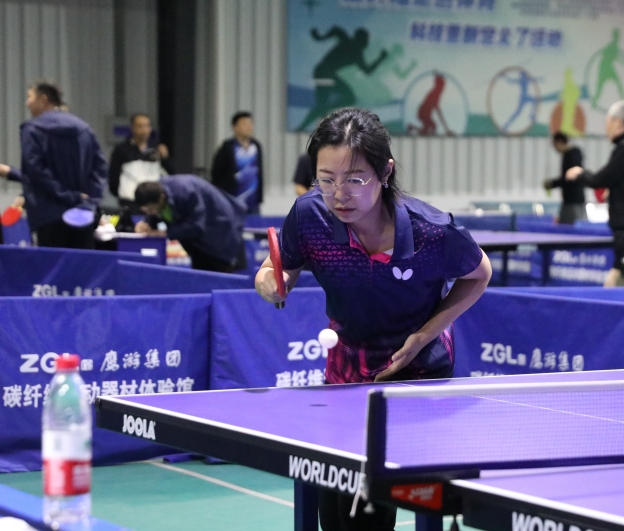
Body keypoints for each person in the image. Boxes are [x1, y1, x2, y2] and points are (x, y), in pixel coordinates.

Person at [254, 107, 491, 530]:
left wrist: (425, 335)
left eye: (355, 179)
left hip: (415, 370)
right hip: (347, 368)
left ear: (385, 172)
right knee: (336, 510)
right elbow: (279, 267)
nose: (339, 194)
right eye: (326, 179)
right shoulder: (310, 216)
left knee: (378, 506)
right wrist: (270, 282)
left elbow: (479, 274)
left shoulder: (431, 232)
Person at [0, 80, 107, 249]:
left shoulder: (32, 129)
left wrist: (68, 196)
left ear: (43, 99)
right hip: (83, 215)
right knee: (81, 264)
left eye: (29, 97)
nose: (27, 103)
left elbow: (36, 171)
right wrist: (89, 200)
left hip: (49, 217)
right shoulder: (84, 128)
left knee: (52, 264)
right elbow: (100, 167)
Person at [566, 101, 624, 287]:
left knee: (622, 283)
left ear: (618, 123)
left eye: (607, 123)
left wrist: (579, 174)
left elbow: (601, 178)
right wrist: (616, 192)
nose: (606, 129)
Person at [134, 175, 247, 273]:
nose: (149, 213)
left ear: (161, 199)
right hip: (200, 246)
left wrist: (165, 233)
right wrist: (147, 223)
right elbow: (157, 213)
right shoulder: (156, 193)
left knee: (220, 281)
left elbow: (196, 226)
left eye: (151, 210)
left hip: (222, 235)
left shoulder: (186, 193)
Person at [108, 113, 172, 212]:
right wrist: (123, 194)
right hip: (130, 202)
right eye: (140, 126)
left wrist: (165, 158)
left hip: (153, 202)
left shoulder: (156, 149)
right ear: (132, 128)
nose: (144, 130)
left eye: (147, 126)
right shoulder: (121, 150)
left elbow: (169, 174)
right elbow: (113, 178)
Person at [211, 111, 264, 215]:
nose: (248, 127)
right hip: (233, 202)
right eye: (244, 124)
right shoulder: (227, 148)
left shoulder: (256, 146)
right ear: (235, 127)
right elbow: (216, 173)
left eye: (250, 124)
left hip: (253, 203)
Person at [544, 132, 586, 224]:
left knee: (576, 225)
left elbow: (569, 178)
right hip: (568, 200)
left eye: (555, 145)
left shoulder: (574, 154)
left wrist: (552, 184)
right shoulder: (566, 155)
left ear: (559, 142)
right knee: (564, 225)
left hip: (575, 200)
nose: (555, 149)